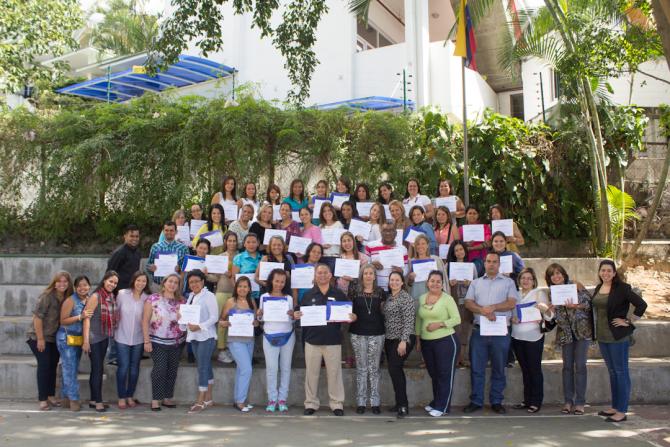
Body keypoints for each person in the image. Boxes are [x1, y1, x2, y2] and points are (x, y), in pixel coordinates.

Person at [294, 264, 357, 416]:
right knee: (311, 374)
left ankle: (336, 404)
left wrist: (352, 317)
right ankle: (311, 403)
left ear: (330, 275)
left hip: (333, 340)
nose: (322, 275)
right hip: (312, 340)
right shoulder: (308, 295)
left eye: (325, 273)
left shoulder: (338, 294)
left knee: (334, 374)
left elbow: (348, 313)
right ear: (315, 276)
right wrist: (297, 315)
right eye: (319, 273)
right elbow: (300, 313)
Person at [463, 252, 519, 414]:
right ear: (485, 263)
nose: (492, 264)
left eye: (495, 261)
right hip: (479, 330)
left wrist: (493, 308)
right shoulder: (476, 283)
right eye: (489, 261)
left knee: (499, 368)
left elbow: (511, 302)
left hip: (500, 331)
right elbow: (468, 302)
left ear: (499, 264)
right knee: (477, 368)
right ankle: (476, 401)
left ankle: (496, 401)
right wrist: (483, 310)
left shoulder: (508, 282)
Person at [592, 260, 647, 423]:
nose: (606, 273)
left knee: (621, 372)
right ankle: (615, 407)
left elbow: (641, 305)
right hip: (602, 336)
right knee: (612, 372)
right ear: (599, 272)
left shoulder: (622, 288)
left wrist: (628, 321)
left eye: (609, 271)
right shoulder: (598, 288)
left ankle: (622, 411)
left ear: (614, 273)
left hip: (618, 337)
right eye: (603, 270)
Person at [545, 263, 593, 416]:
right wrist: (550, 311)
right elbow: (554, 318)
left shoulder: (575, 285)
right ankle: (568, 401)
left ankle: (580, 402)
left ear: (563, 274)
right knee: (567, 367)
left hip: (582, 331)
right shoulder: (551, 293)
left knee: (580, 366)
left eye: (558, 273)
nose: (556, 276)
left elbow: (589, 303)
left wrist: (576, 306)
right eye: (552, 275)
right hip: (565, 334)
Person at [415, 271, 461, 417]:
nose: (435, 284)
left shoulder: (448, 299)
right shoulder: (422, 298)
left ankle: (443, 407)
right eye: (432, 281)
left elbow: (457, 319)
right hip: (427, 342)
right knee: (434, 373)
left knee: (444, 374)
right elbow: (419, 319)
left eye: (438, 281)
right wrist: (418, 339)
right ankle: (437, 402)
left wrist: (439, 324)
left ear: (442, 284)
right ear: (427, 283)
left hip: (446, 341)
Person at [142, 273, 186, 411]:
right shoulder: (153, 299)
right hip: (157, 341)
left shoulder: (182, 302)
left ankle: (167, 398)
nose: (172, 284)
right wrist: (146, 341)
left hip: (176, 342)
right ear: (164, 283)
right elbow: (145, 321)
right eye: (170, 281)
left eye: (176, 282)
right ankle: (156, 399)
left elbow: (185, 323)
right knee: (159, 369)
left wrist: (183, 318)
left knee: (172, 371)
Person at [511, 268, 551, 413]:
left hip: (534, 337)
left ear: (534, 281)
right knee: (525, 370)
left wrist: (544, 309)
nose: (525, 281)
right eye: (523, 278)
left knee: (534, 370)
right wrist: (512, 318)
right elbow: (511, 313)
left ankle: (536, 401)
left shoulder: (539, 293)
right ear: (519, 280)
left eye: (529, 278)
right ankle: (527, 400)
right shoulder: (515, 294)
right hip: (517, 336)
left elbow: (549, 316)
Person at [347, 265, 386, 414]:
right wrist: (350, 316)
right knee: (361, 368)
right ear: (361, 276)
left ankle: (375, 402)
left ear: (375, 276)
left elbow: (385, 311)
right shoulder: (355, 292)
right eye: (365, 273)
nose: (368, 276)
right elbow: (347, 310)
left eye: (371, 273)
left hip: (377, 333)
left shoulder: (381, 292)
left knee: (374, 369)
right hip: (358, 334)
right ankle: (361, 401)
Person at [180, 270, 219, 414]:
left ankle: (200, 400)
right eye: (191, 282)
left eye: (197, 281)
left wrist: (200, 326)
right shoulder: (190, 296)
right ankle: (209, 398)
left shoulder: (209, 296)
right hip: (194, 336)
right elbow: (187, 318)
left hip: (206, 336)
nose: (194, 284)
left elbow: (214, 317)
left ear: (203, 282)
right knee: (205, 365)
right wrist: (181, 318)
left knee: (202, 367)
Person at [219, 276, 259, 412]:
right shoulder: (231, 302)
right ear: (236, 288)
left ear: (249, 289)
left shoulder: (251, 301)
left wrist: (256, 322)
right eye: (240, 286)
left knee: (241, 370)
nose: (242, 289)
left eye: (245, 286)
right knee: (247, 369)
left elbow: (256, 321)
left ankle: (238, 399)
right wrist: (225, 323)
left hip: (249, 340)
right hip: (235, 341)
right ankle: (241, 401)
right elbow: (221, 320)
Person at [258, 269, 296, 413]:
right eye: (277, 281)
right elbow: (261, 319)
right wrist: (259, 314)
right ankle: (272, 399)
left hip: (287, 336)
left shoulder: (289, 298)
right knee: (271, 369)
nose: (279, 284)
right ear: (271, 281)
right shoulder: (264, 297)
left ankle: (282, 399)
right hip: (269, 336)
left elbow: (292, 319)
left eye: (282, 282)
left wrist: (292, 315)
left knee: (286, 368)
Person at [83, 270, 119, 412]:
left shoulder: (110, 296)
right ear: (104, 280)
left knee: (97, 369)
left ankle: (94, 399)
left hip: (104, 337)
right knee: (97, 369)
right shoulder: (96, 296)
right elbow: (86, 318)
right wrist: (86, 340)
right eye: (110, 281)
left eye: (115, 283)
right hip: (93, 338)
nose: (112, 284)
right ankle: (98, 402)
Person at [114, 271, 151, 409]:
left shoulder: (147, 298)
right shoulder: (122, 294)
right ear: (133, 281)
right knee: (123, 368)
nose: (141, 283)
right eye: (138, 280)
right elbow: (115, 312)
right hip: (121, 337)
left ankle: (130, 395)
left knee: (134, 369)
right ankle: (121, 397)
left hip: (139, 338)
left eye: (144, 281)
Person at [56, 275, 92, 412]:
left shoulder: (89, 300)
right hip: (66, 338)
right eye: (79, 286)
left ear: (89, 286)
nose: (83, 288)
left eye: (85, 285)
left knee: (71, 368)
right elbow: (63, 320)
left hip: (78, 338)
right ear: (75, 288)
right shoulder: (70, 300)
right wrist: (80, 316)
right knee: (70, 369)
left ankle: (65, 398)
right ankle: (74, 400)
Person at [382, 271, 415, 418]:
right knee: (394, 370)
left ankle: (403, 406)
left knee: (395, 368)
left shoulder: (406, 298)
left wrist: (403, 341)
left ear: (402, 282)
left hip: (402, 338)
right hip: (389, 339)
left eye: (397, 280)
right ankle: (399, 402)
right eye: (392, 280)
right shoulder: (389, 298)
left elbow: (409, 321)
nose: (394, 282)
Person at [446, 241, 479, 367]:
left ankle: (462, 358)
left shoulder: (472, 266)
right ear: (453, 253)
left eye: (461, 249)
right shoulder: (448, 266)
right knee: (454, 330)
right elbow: (443, 285)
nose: (459, 252)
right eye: (456, 250)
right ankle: (454, 358)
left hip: (467, 303)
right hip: (453, 302)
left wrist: (470, 284)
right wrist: (450, 284)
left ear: (465, 250)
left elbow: (477, 284)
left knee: (465, 329)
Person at [213, 231, 239, 363]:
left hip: (237, 293)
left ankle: (230, 348)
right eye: (229, 241)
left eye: (234, 241)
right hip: (222, 292)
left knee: (233, 322)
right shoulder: (220, 257)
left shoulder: (240, 256)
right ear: (225, 242)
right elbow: (214, 277)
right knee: (222, 321)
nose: (232, 243)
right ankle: (221, 350)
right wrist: (206, 273)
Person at [146, 220, 189, 288]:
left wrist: (179, 269)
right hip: (158, 286)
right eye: (166, 230)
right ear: (163, 231)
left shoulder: (183, 248)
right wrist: (151, 267)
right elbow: (148, 265)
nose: (169, 232)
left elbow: (187, 268)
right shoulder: (155, 247)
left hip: (175, 287)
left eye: (171, 230)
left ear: (176, 232)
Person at [408, 234, 445, 304]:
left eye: (423, 243)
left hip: (433, 295)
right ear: (415, 246)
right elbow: (409, 284)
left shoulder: (436, 260)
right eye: (418, 244)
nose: (420, 246)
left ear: (427, 245)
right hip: (417, 296)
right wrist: (410, 279)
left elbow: (443, 280)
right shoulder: (411, 262)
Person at [107, 224, 141, 291]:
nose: (134, 239)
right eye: (131, 236)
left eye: (137, 236)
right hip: (119, 291)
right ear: (125, 236)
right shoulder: (119, 253)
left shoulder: (138, 253)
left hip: (132, 289)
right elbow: (109, 274)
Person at [459, 205, 491, 275]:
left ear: (478, 215)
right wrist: (466, 244)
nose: (472, 215)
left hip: (480, 258)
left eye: (474, 213)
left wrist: (472, 248)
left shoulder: (484, 227)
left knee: (471, 275)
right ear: (466, 215)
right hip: (465, 258)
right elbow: (458, 244)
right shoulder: (461, 229)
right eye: (470, 213)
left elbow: (488, 243)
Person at [232, 233, 263, 301]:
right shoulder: (238, 258)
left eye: (254, 242)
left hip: (260, 295)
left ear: (258, 244)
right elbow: (233, 278)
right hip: (243, 295)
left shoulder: (263, 258)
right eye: (248, 242)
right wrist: (238, 293)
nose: (251, 244)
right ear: (244, 244)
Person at [292, 242, 323, 307]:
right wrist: (295, 305)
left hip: (319, 304)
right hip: (303, 303)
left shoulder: (324, 269)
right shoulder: (298, 268)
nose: (316, 254)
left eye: (319, 253)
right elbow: (295, 289)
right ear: (309, 252)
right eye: (314, 251)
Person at [319, 202, 343, 273]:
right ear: (322, 214)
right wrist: (322, 246)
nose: (327, 213)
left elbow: (342, 242)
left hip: (334, 257)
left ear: (333, 211)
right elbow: (317, 243)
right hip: (322, 257)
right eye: (324, 211)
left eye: (329, 210)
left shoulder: (338, 224)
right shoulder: (320, 226)